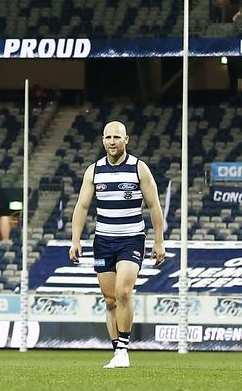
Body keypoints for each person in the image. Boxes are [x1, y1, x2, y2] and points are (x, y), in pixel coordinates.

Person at [69, 120, 166, 369]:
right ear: (103, 140)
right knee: (110, 299)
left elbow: (154, 206)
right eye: (108, 137)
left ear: (126, 140)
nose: (112, 141)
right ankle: (117, 351)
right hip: (103, 241)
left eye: (116, 137)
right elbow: (81, 206)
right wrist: (75, 240)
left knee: (123, 291)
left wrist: (159, 241)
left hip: (131, 238)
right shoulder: (94, 170)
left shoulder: (139, 169)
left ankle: (123, 350)